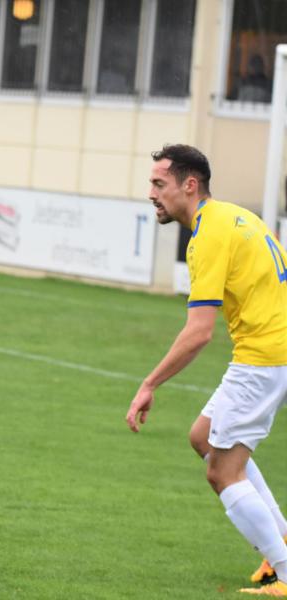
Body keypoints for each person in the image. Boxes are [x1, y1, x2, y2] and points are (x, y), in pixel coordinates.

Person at [126, 144, 287, 597]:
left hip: (264, 357)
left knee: (222, 472)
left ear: (188, 185)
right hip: (275, 350)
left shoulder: (208, 235)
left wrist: (149, 383)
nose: (151, 194)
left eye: (159, 184)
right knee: (204, 436)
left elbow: (199, 333)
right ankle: (280, 538)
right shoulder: (234, 216)